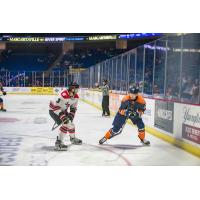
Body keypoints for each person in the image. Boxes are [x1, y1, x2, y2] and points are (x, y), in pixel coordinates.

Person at [49, 82, 82, 151]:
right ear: (72, 89)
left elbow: (73, 109)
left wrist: (71, 116)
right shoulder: (63, 95)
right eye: (76, 89)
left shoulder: (76, 97)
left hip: (62, 110)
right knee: (66, 123)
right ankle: (58, 143)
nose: (78, 90)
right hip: (53, 110)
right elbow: (55, 107)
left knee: (71, 124)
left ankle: (73, 139)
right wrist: (63, 117)